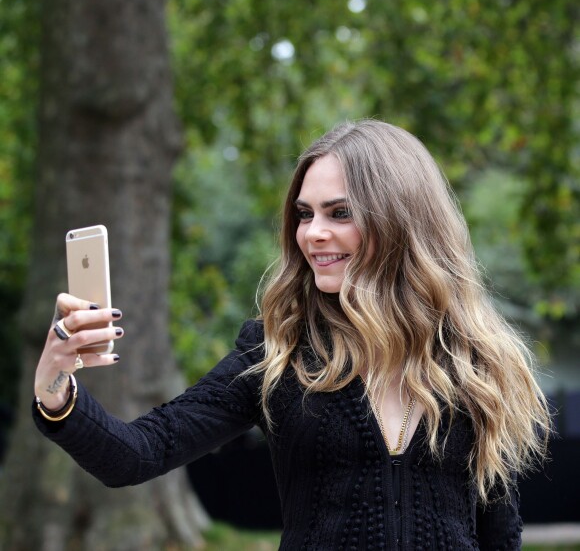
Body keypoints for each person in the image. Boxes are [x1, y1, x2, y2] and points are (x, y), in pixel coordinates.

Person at [33, 119, 550, 550]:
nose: (312, 233)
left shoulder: (473, 362)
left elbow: (499, 535)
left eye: (339, 213)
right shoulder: (277, 354)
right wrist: (55, 390)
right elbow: (138, 453)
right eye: (305, 214)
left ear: (401, 220)